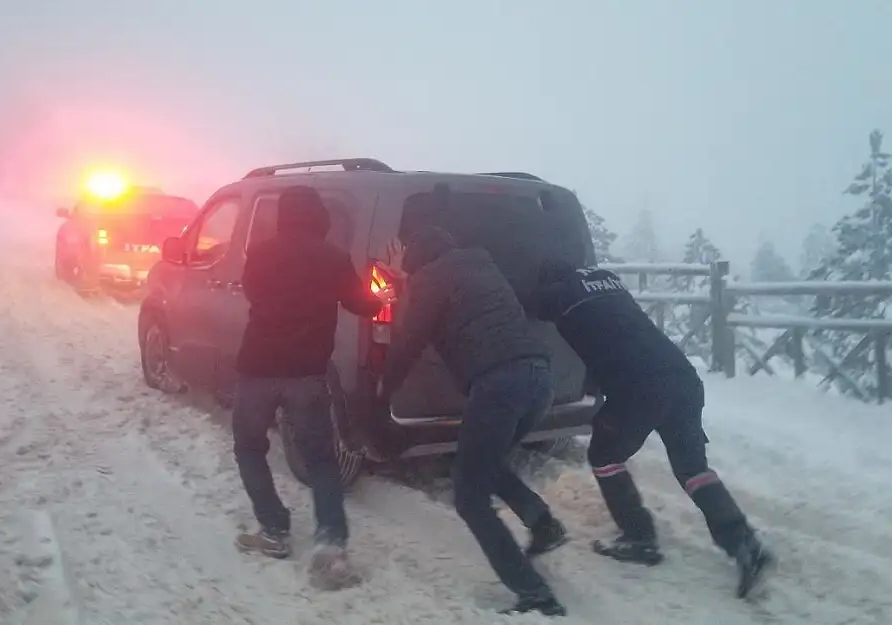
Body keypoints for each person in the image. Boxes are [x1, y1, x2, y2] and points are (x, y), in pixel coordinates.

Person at [526, 261, 775, 599]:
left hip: (639, 387)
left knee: (603, 454)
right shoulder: (606, 279)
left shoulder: (560, 292)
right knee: (692, 469)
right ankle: (746, 546)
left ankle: (639, 537)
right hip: (683, 378)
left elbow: (525, 303)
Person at [378, 225, 568, 616]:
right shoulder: (483, 266)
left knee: (469, 495)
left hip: (500, 384)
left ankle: (533, 593)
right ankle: (543, 523)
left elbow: (408, 342)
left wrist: (382, 393)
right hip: (539, 378)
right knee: (486, 461)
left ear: (417, 258)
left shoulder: (430, 279)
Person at [232, 185, 392, 590]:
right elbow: (362, 304)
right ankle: (331, 546)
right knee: (321, 461)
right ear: (319, 215)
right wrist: (385, 291)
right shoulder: (334, 257)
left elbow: (251, 291)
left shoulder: (261, 251)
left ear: (284, 215)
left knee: (249, 448)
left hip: (258, 370)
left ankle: (273, 531)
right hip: (307, 374)